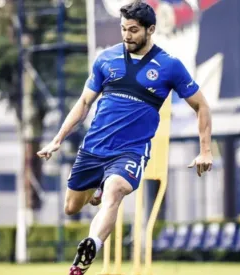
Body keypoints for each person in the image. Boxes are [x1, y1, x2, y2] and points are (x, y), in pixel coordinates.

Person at [37, 2, 213, 274]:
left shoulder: (169, 66)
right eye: (123, 29)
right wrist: (58, 139)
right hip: (94, 148)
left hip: (130, 151)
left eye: (133, 30)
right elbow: (84, 103)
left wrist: (205, 150)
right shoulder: (106, 60)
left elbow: (201, 105)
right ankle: (97, 187)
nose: (127, 35)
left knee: (115, 192)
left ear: (150, 30)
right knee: (71, 207)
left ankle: (88, 251)